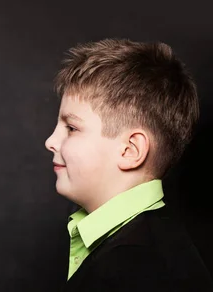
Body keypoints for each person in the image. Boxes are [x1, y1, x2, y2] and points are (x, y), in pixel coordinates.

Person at [45, 38, 213, 291]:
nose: (50, 141)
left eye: (71, 128)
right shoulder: (159, 244)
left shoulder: (133, 268)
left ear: (130, 150)